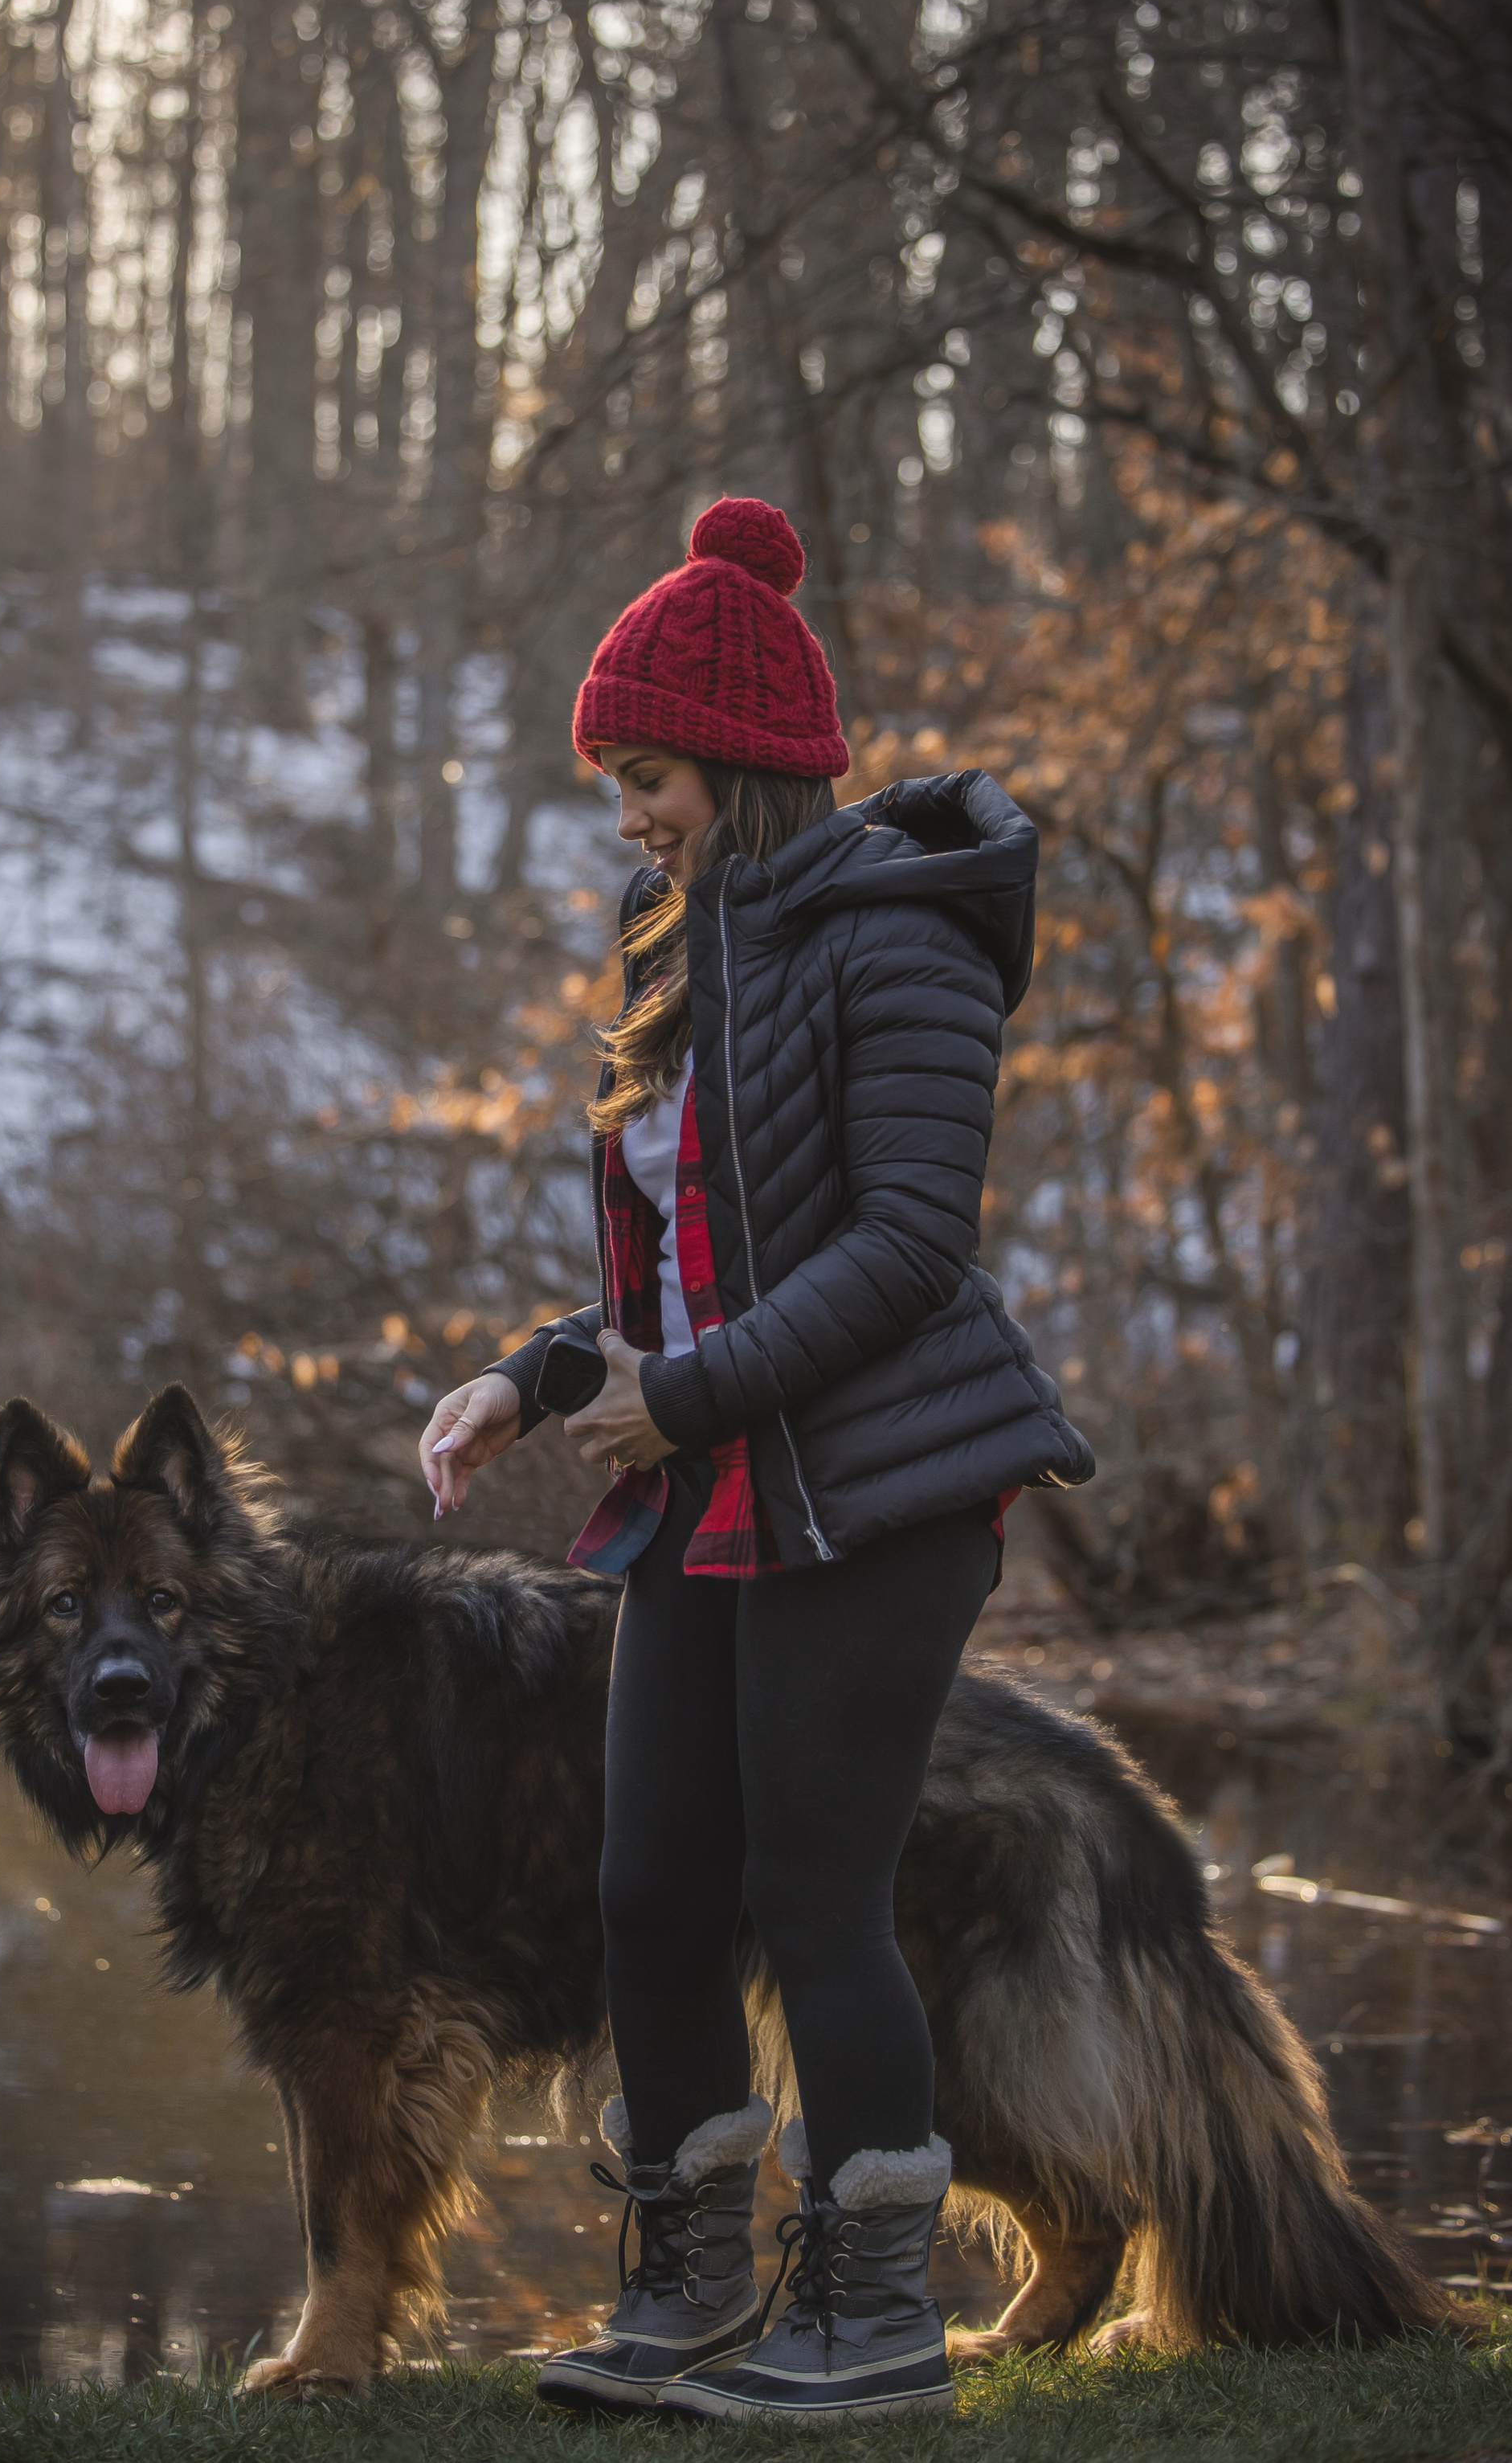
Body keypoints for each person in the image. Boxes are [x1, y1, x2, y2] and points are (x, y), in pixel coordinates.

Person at [416, 495, 1093, 2424]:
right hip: (714, 1489)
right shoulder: (672, 948)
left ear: (742, 760)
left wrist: (691, 1397)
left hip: (874, 1492)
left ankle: (868, 2322)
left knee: (816, 1900)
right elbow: (677, 1253)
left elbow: (902, 1248)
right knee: (646, 1892)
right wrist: (535, 1377)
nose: (626, 811)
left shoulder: (901, 944)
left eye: (646, 773)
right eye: (616, 779)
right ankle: (691, 2286)